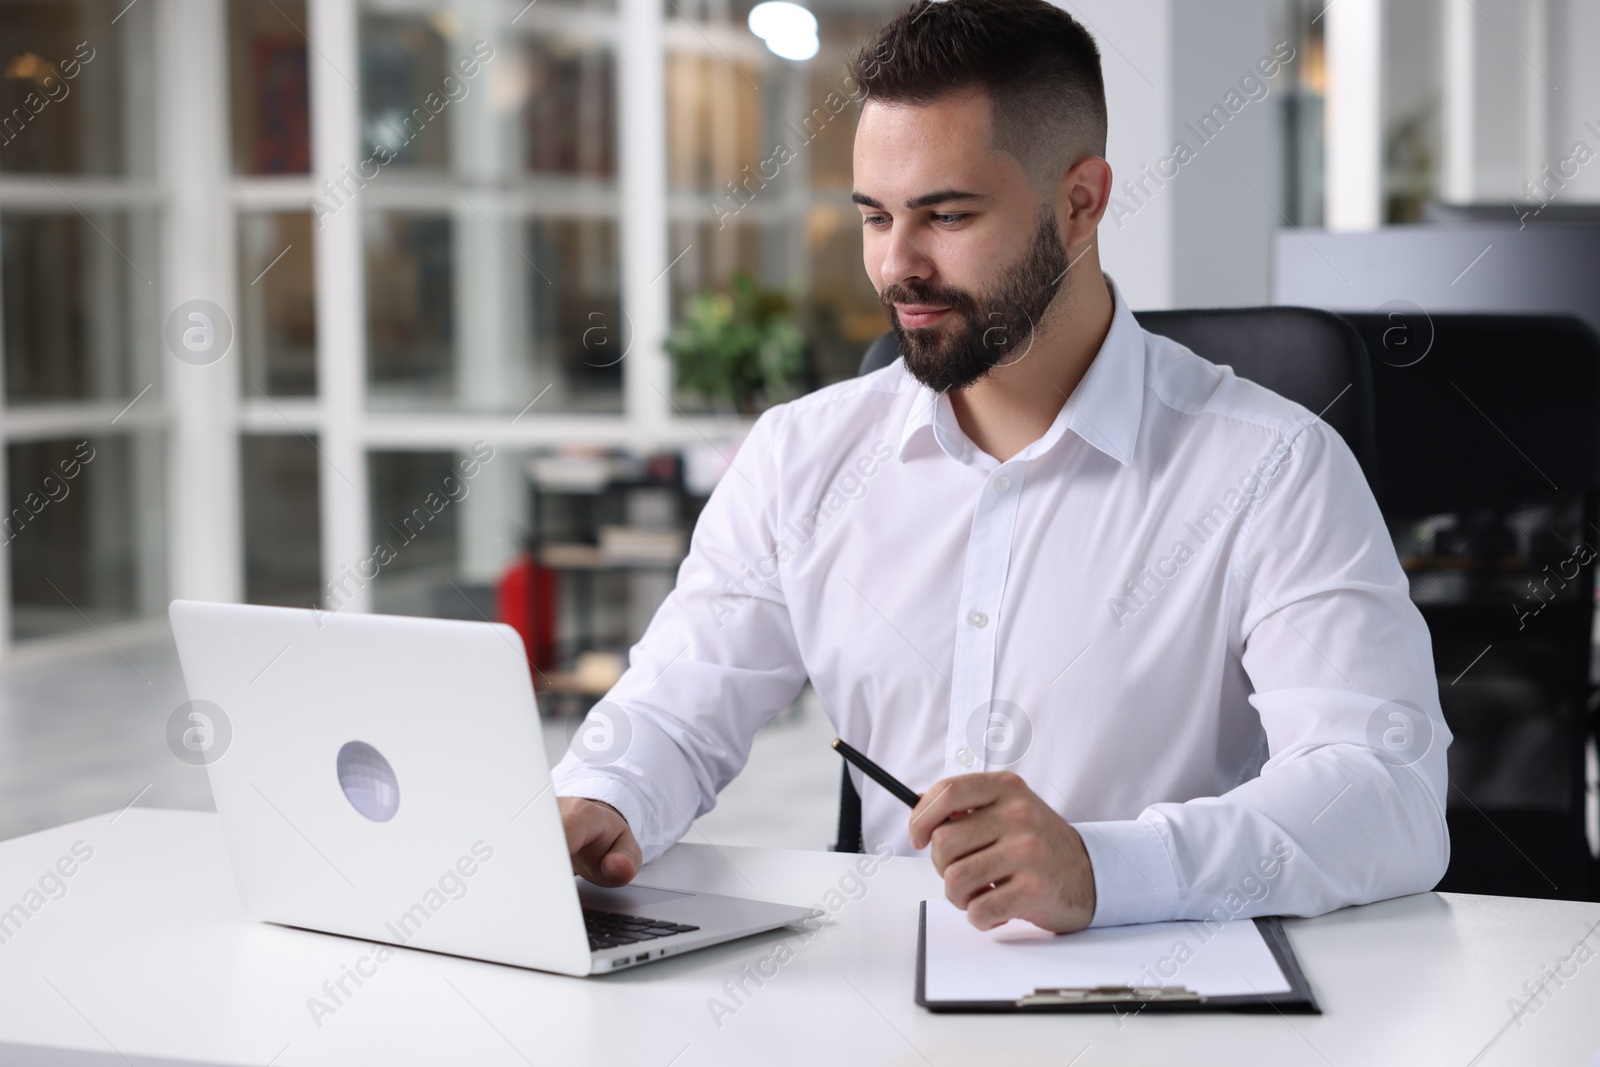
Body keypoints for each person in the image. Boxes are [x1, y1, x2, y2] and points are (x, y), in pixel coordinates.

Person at [555, 0, 1450, 934]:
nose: (895, 266)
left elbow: (1386, 795)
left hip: (1161, 998)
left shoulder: (1274, 467)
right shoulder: (799, 457)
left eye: (945, 215)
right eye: (874, 216)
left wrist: (1106, 867)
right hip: (877, 997)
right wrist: (602, 798)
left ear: (1081, 201)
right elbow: (674, 708)